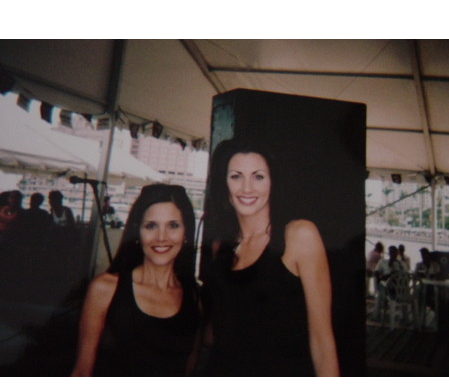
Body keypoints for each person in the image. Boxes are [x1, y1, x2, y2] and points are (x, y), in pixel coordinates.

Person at [200, 139, 339, 377]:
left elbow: (322, 341)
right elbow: (213, 335)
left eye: (258, 177)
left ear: (273, 182)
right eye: (236, 176)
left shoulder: (299, 235)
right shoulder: (220, 246)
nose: (247, 188)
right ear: (223, 183)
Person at [71, 184, 201, 376]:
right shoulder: (105, 289)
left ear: (186, 233)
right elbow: (82, 372)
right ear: (137, 231)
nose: (161, 237)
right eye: (151, 226)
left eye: (173, 225)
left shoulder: (195, 297)